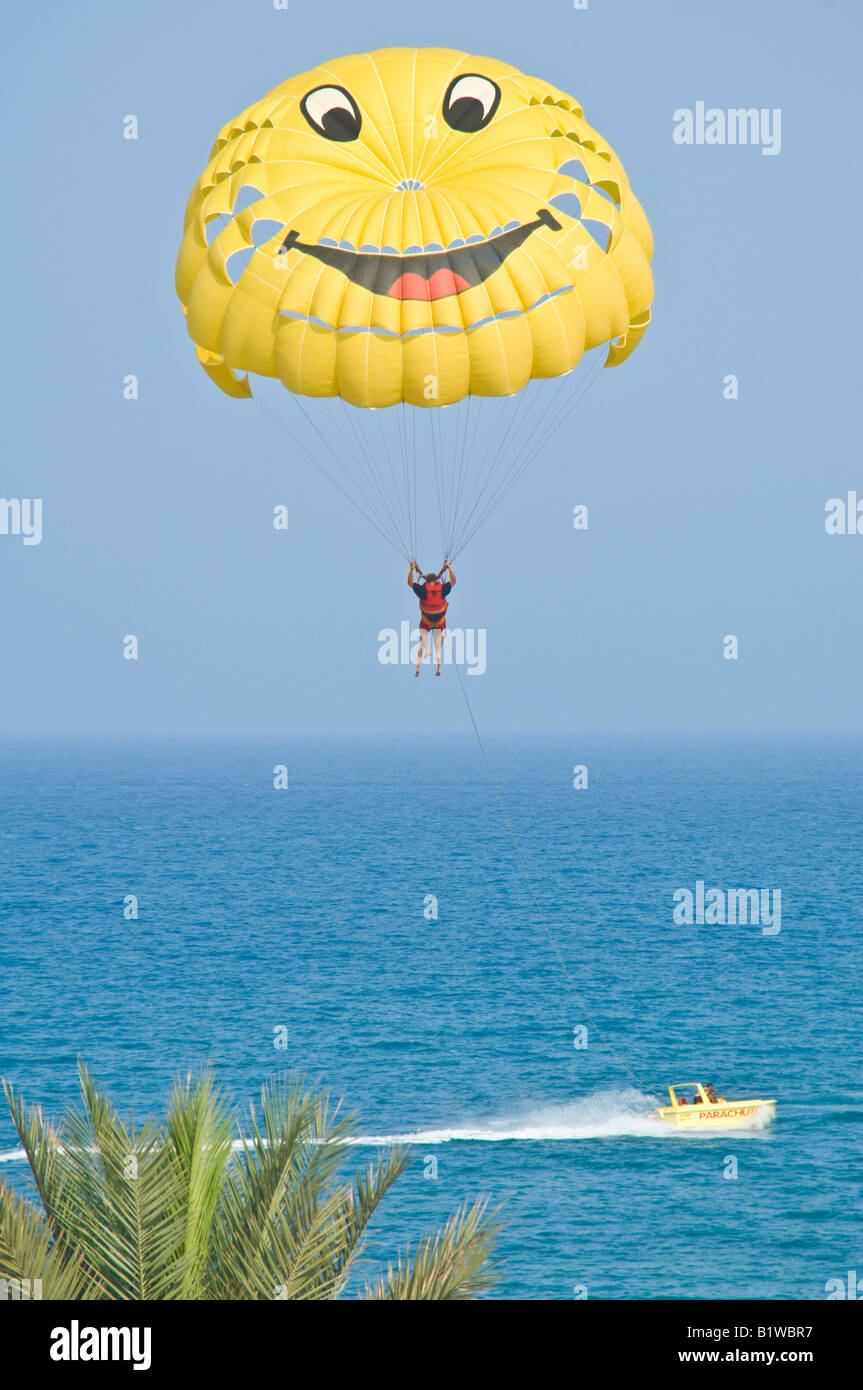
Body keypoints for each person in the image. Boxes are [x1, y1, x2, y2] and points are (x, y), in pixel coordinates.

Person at [408, 558, 455, 677]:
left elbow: (410, 583)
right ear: (435, 581)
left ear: (427, 582)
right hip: (439, 622)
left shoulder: (423, 591)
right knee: (438, 645)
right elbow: (453, 581)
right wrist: (450, 569)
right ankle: (439, 668)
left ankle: (418, 667)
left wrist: (411, 570)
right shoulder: (442, 590)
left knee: (422, 644)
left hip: (426, 622)